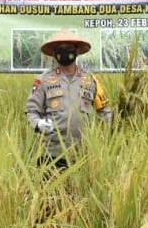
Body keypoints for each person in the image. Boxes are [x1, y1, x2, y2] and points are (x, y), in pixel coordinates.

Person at [25, 30, 111, 167]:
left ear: (76, 51)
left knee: (81, 189)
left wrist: (106, 139)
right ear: (54, 53)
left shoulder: (90, 80)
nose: (64, 53)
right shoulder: (43, 80)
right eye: (60, 49)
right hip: (51, 153)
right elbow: (31, 111)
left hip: (84, 154)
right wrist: (38, 123)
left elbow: (105, 111)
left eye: (69, 49)